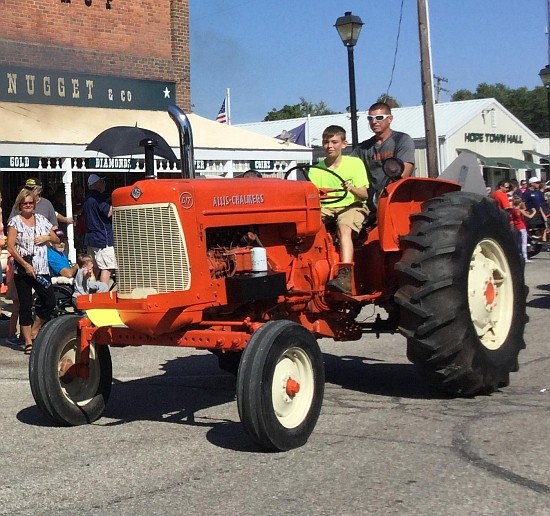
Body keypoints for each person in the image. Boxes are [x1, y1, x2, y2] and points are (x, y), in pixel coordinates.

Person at [308, 125, 369, 294]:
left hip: (351, 205)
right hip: (326, 208)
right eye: (326, 142)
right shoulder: (316, 169)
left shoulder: (355, 164)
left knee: (344, 227)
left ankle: (345, 275)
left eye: (334, 142)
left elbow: (363, 195)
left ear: (344, 144)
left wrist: (352, 189)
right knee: (306, 226)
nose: (329, 146)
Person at [6, 190, 60, 354]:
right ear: (19, 205)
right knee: (25, 304)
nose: (28, 206)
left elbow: (58, 238)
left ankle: (35, 329)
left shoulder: (42, 220)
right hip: (23, 268)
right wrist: (25, 265)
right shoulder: (15, 222)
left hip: (41, 268)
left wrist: (47, 238)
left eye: (30, 203)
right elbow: (11, 246)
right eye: (25, 203)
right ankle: (28, 341)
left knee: (49, 300)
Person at [351, 102, 415, 210]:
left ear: (390, 119)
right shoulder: (362, 148)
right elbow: (348, 167)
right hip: (371, 205)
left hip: (398, 200)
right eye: (370, 118)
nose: (374, 122)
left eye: (379, 117)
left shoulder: (402, 140)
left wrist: (387, 194)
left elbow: (405, 172)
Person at [83, 174, 117, 283]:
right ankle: (103, 294)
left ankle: (90, 292)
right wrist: (116, 203)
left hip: (91, 238)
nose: (104, 184)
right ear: (96, 184)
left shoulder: (87, 198)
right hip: (103, 238)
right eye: (102, 182)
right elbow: (108, 212)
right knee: (107, 268)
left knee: (94, 267)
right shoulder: (97, 197)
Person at [522, 177, 548, 243]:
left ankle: (543, 242)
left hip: (539, 213)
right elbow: (523, 203)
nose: (538, 184)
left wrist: (543, 214)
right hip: (531, 213)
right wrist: (526, 211)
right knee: (531, 228)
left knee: (543, 227)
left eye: (539, 182)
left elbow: (540, 204)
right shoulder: (527, 193)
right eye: (537, 183)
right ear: (532, 183)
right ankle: (530, 241)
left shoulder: (538, 192)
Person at [510, 197, 536, 262]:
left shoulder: (513, 210)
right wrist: (534, 212)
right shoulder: (520, 210)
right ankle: (525, 258)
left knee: (518, 242)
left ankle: (518, 256)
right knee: (524, 243)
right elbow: (530, 216)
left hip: (516, 227)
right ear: (520, 203)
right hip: (522, 227)